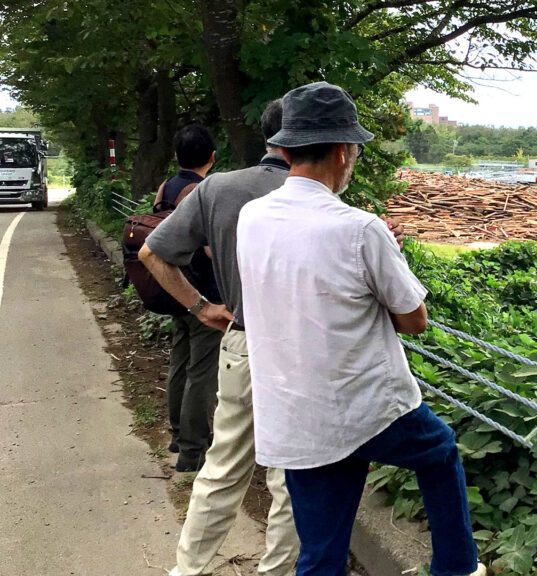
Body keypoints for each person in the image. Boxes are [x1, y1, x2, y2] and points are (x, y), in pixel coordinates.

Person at [140, 100, 407, 576]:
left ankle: (188, 570)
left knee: (222, 468)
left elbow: (152, 253)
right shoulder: (322, 199)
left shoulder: (218, 189)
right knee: (292, 477)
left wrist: (200, 306)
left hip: (242, 343)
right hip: (308, 353)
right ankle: (277, 570)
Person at [236, 82, 485, 576]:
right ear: (346, 151)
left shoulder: (253, 216)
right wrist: (385, 255)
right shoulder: (359, 227)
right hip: (365, 406)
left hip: (294, 411)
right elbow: (414, 320)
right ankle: (457, 568)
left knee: (321, 555)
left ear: (285, 149)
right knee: (438, 452)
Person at [157, 124, 223, 473]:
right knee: (202, 373)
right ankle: (192, 451)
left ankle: (178, 434)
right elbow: (211, 250)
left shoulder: (165, 187)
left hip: (173, 289)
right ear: (212, 158)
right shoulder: (203, 192)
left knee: (179, 363)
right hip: (203, 295)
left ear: (175, 156)